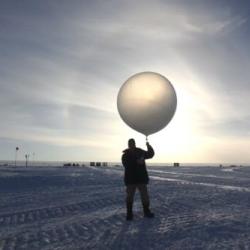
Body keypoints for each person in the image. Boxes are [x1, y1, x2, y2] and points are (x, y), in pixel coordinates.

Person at [122, 138, 155, 221]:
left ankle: (146, 211)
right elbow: (126, 165)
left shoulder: (140, 152)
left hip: (141, 179)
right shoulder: (125, 155)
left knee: (145, 196)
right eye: (130, 144)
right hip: (130, 180)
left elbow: (150, 154)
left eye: (132, 144)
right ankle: (129, 214)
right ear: (128, 145)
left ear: (135, 144)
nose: (131, 145)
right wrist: (137, 162)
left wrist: (148, 146)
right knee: (129, 197)